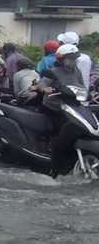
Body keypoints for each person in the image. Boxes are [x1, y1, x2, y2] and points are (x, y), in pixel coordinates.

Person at [37, 44, 86, 177]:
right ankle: (53, 156)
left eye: (74, 59)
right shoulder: (54, 71)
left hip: (70, 107)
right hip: (53, 107)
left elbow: (81, 86)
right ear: (61, 60)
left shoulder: (77, 71)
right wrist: (45, 89)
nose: (72, 61)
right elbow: (42, 84)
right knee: (58, 131)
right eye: (70, 59)